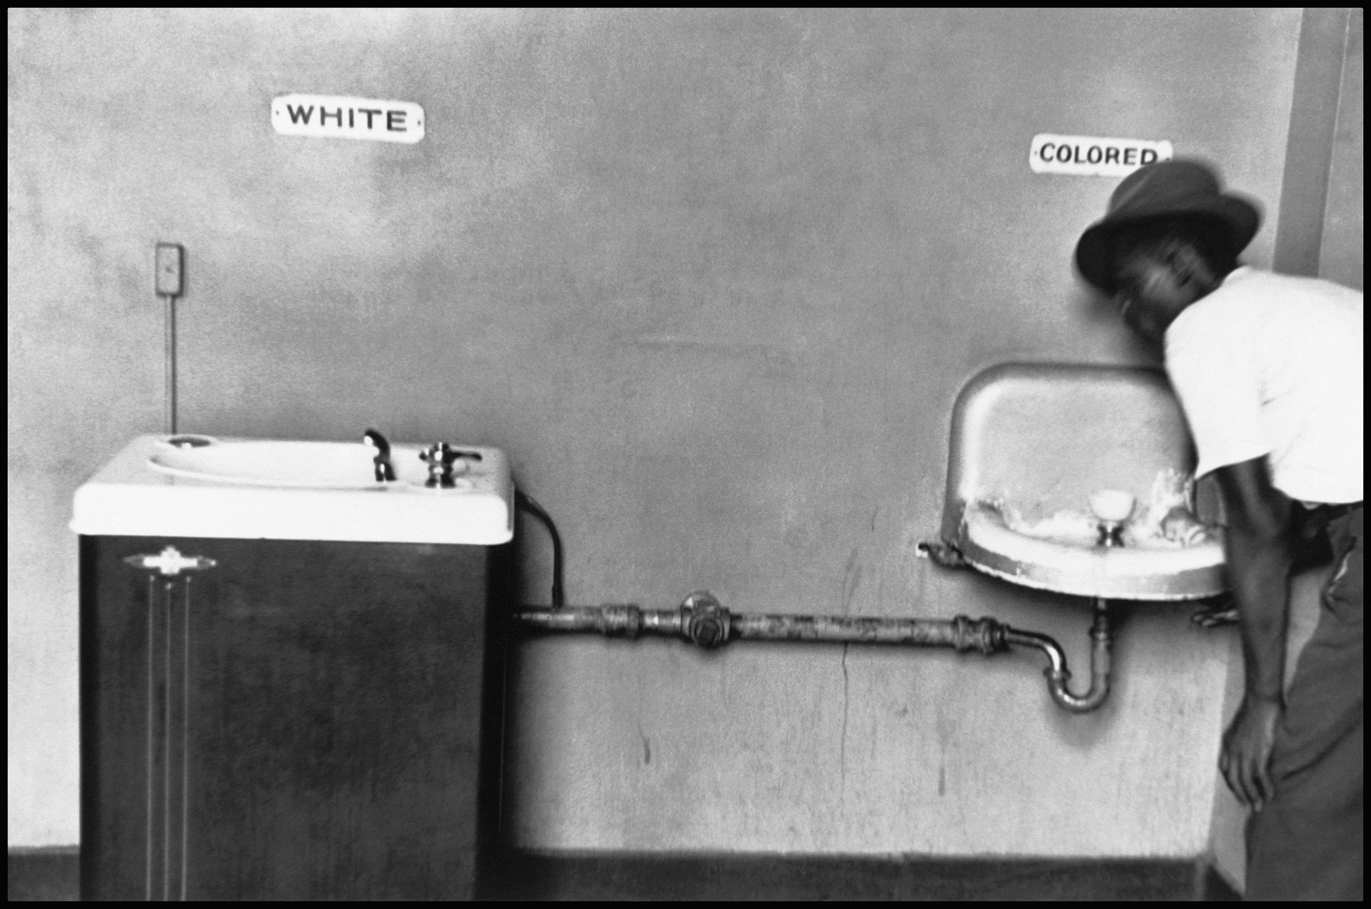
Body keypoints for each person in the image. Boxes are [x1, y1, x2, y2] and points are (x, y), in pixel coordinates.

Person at [1073, 158, 1363, 901]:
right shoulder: (1302, 304)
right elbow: (1313, 493)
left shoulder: (1200, 328)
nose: (1132, 317)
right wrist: (1249, 583)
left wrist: (1260, 700)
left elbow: (1257, 521)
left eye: (1132, 292)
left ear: (1179, 259)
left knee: (1302, 800)